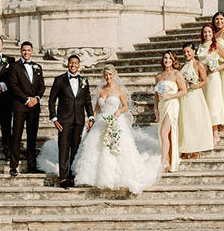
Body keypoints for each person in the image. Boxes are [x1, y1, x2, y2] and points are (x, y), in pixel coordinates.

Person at [66, 65, 162, 194]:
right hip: (101, 122)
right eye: (106, 75)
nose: (108, 77)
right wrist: (91, 120)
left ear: (114, 75)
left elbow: (126, 106)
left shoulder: (119, 90)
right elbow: (96, 108)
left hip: (115, 120)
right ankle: (92, 177)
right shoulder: (101, 90)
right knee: (95, 148)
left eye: (110, 75)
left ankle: (114, 178)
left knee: (114, 149)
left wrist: (119, 111)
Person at [48, 54, 93, 187]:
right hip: (64, 120)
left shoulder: (84, 81)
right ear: (67, 64)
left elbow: (87, 101)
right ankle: (63, 177)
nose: (73, 65)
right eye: (71, 63)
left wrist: (91, 117)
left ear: (79, 65)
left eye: (75, 63)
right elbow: (51, 100)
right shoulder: (59, 80)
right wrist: (54, 118)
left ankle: (72, 176)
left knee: (76, 148)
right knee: (63, 148)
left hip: (79, 120)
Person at [5, 41, 45, 176]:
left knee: (32, 137)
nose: (26, 52)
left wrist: (36, 98)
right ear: (20, 51)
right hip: (20, 106)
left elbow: (42, 86)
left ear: (32, 51)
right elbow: (13, 86)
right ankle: (13, 166)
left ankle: (31, 166)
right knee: (16, 136)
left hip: (34, 107)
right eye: (24, 50)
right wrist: (26, 99)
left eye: (28, 50)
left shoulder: (38, 67)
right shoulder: (14, 66)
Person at [177, 42, 213, 158]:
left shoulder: (198, 64)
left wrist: (195, 86)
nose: (186, 54)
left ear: (194, 51)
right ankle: (187, 148)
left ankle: (196, 149)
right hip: (184, 97)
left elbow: (205, 81)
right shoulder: (183, 66)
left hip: (194, 96)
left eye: (188, 52)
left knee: (194, 121)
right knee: (185, 122)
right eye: (184, 52)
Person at [153, 51, 187, 172]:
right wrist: (155, 108)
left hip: (172, 104)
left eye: (170, 58)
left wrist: (170, 96)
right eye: (165, 58)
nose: (167, 60)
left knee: (164, 132)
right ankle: (170, 160)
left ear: (173, 61)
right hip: (161, 106)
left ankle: (163, 161)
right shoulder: (158, 76)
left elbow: (184, 91)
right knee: (165, 134)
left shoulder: (177, 74)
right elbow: (156, 95)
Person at [196, 24, 224, 142]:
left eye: (209, 32)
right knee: (205, 102)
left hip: (213, 78)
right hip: (203, 78)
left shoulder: (216, 45)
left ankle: (215, 131)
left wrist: (216, 68)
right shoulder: (200, 47)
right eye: (205, 32)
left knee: (213, 102)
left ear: (213, 33)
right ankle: (207, 128)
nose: (207, 34)